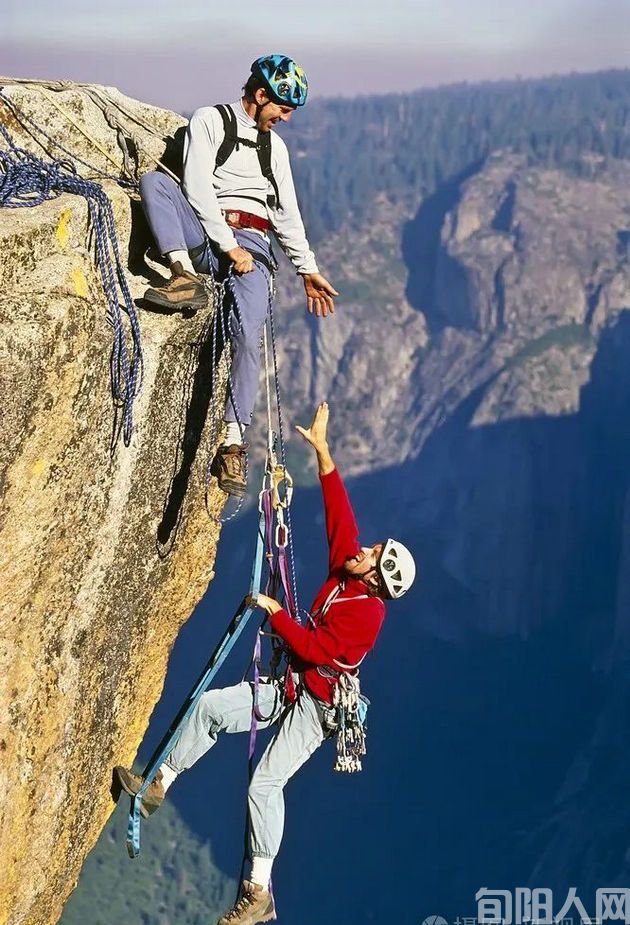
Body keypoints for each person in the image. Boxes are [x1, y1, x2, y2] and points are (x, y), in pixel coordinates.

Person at [114, 402, 416, 925]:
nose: (364, 546)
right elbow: (340, 519)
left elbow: (318, 652)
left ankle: (258, 892)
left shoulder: (367, 618)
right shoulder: (347, 575)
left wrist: (276, 615)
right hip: (294, 684)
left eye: (373, 552)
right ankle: (156, 785)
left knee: (264, 783)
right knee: (210, 709)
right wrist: (323, 452)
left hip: (317, 709)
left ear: (376, 579)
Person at [138, 55, 338, 498]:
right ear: (261, 94)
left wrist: (307, 269)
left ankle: (232, 441)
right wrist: (226, 244)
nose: (285, 119)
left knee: (250, 333)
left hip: (254, 245)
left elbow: (286, 215)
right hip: (212, 236)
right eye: (282, 109)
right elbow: (195, 185)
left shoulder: (275, 150)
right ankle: (181, 274)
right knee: (155, 184)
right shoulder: (212, 121)